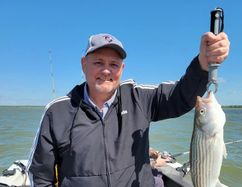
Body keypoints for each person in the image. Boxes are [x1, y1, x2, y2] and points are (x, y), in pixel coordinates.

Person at [27, 32, 230, 187]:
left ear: (122, 69)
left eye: (114, 64)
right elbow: (40, 175)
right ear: (84, 64)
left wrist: (203, 65)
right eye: (98, 62)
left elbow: (180, 96)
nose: (106, 70)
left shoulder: (138, 97)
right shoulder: (57, 112)